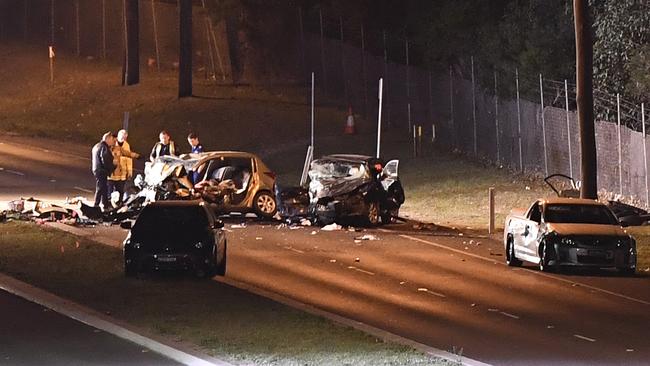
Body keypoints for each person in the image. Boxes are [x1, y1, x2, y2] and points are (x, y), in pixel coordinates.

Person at [108, 129, 140, 204]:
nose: (123, 139)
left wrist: (129, 172)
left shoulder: (126, 145)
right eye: (122, 137)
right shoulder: (112, 144)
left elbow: (129, 160)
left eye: (125, 138)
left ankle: (119, 203)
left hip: (122, 173)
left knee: (120, 190)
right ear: (118, 136)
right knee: (110, 190)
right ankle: (109, 204)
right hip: (112, 172)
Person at [91, 132, 116, 209]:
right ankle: (96, 205)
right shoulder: (104, 147)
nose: (113, 141)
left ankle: (105, 204)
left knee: (104, 187)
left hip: (97, 169)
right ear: (107, 139)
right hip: (102, 170)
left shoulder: (97, 146)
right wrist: (113, 166)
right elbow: (105, 160)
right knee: (100, 187)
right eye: (112, 139)